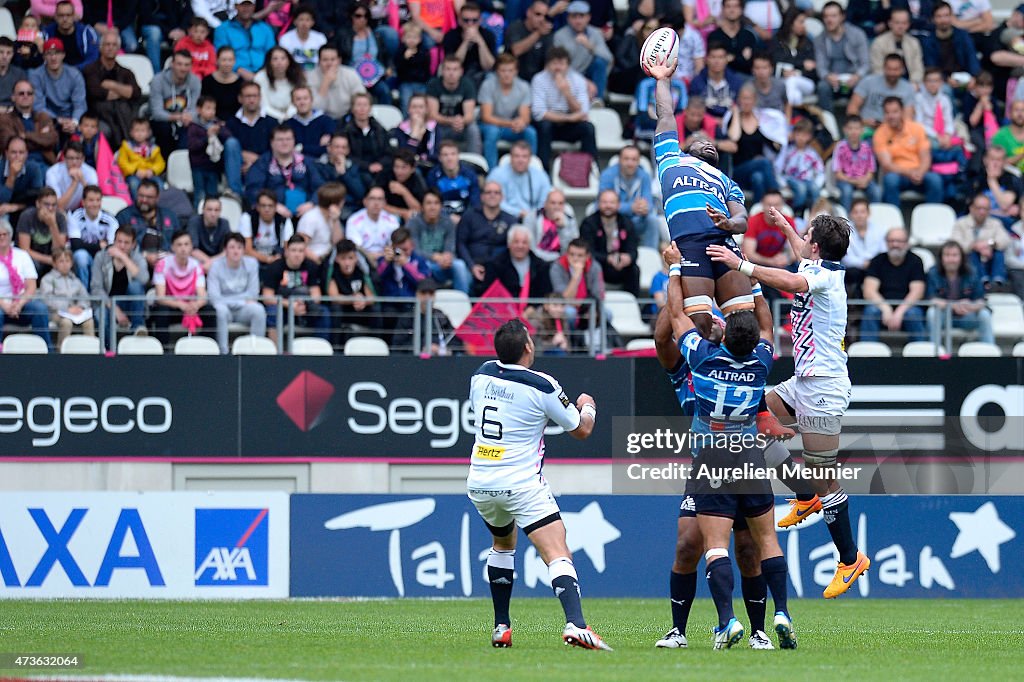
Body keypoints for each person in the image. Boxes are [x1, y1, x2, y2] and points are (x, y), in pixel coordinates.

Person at [707, 208, 870, 600]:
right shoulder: (822, 263)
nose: (802, 242)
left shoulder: (820, 277)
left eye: (805, 237)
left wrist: (742, 265)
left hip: (824, 388)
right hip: (804, 381)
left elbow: (792, 279)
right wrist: (785, 227)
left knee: (824, 476)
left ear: (815, 247)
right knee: (746, 415)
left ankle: (850, 559)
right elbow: (801, 254)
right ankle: (803, 494)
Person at [661, 241, 792, 648]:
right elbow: (767, 326)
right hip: (746, 460)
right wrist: (748, 278)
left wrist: (675, 269)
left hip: (713, 461)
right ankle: (684, 629)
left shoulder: (700, 358)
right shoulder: (760, 361)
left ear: (721, 334)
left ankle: (746, 627)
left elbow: (680, 316)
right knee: (689, 544)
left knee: (741, 548)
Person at [467, 318, 611, 651]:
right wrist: (587, 406)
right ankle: (576, 624)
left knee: (503, 545)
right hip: (520, 481)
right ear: (528, 348)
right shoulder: (542, 385)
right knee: (557, 551)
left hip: (482, 479)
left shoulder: (481, 374)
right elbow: (581, 429)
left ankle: (501, 627)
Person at [649, 55, 751, 340]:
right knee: (700, 325)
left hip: (724, 243)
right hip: (690, 245)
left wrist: (731, 224)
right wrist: (662, 79)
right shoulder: (670, 158)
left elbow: (742, 218)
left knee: (743, 325)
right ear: (686, 146)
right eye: (699, 139)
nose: (706, 141)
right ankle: (701, 378)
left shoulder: (726, 181)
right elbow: (666, 114)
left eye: (710, 142)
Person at [529, 46, 596, 171]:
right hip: (549, 126)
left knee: (588, 128)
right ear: (548, 64)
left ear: (568, 65)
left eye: (562, 64)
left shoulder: (578, 80)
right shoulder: (539, 79)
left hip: (568, 126)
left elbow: (583, 112)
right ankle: (544, 171)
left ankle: (590, 169)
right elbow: (539, 113)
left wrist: (566, 93)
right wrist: (569, 118)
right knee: (544, 126)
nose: (558, 67)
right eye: (554, 63)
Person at [150, 228, 217, 345]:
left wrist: (195, 305)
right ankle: (162, 351)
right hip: (172, 306)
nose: (183, 248)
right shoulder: (162, 264)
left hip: (190, 306)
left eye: (186, 244)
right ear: (172, 247)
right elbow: (160, 297)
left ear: (191, 247)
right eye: (179, 245)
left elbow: (202, 295)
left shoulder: (196, 265)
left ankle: (208, 349)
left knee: (209, 311)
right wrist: (181, 305)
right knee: (161, 312)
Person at [860, 227, 927, 342]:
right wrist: (886, 308)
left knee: (913, 314)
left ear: (907, 243)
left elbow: (918, 292)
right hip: (881, 307)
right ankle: (868, 354)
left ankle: (921, 355)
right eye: (891, 241)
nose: (895, 244)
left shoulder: (915, 261)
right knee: (870, 311)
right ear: (886, 243)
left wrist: (899, 312)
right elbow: (869, 291)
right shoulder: (877, 261)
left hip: (907, 307)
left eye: (899, 241)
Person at [260, 233, 331, 342]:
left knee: (324, 312)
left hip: (305, 307)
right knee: (273, 313)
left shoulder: (311, 266)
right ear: (287, 251)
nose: (297, 254)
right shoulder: (275, 267)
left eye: (301, 251)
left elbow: (316, 295)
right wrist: (290, 304)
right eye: (293, 250)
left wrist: (304, 304)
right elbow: (267, 297)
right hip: (283, 307)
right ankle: (275, 354)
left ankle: (320, 354)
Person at [873, 96, 942, 206]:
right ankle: (894, 221)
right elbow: (887, 164)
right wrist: (910, 173)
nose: (891, 116)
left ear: (902, 112)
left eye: (895, 112)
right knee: (890, 180)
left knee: (935, 179)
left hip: (919, 172)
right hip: (898, 175)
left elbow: (925, 156)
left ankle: (931, 219)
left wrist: (920, 172)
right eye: (887, 112)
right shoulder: (880, 133)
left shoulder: (917, 128)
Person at [244, 125, 323, 219]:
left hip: (306, 213)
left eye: (288, 139)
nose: (285, 143)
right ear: (272, 143)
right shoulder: (262, 163)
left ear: (294, 141)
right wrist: (273, 205)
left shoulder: (307, 162)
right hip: (273, 214)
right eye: (280, 140)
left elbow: (321, 187)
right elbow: (253, 190)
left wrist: (312, 204)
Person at [926, 240, 994, 347]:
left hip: (966, 315)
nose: (951, 259)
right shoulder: (933, 273)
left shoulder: (972, 272)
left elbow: (981, 301)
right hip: (944, 316)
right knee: (932, 313)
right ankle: (936, 353)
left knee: (984, 314)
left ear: (961, 258)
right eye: (947, 255)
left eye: (954, 255)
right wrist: (953, 305)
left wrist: (970, 306)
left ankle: (990, 354)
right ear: (941, 258)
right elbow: (931, 300)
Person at [81, 30, 141, 150]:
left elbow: (135, 93)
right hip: (99, 117)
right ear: (101, 47)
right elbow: (95, 92)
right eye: (107, 44)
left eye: (114, 45)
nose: (110, 48)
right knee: (106, 130)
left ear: (118, 48)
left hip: (123, 116)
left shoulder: (126, 72)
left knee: (126, 113)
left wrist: (112, 85)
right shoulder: (90, 70)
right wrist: (123, 92)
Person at [208, 231, 266, 353]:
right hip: (226, 309)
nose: (236, 251)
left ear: (244, 250)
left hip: (242, 309)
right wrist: (241, 300)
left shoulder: (252, 264)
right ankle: (222, 352)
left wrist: (231, 300)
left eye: (239, 248)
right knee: (220, 310)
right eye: (232, 247)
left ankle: (255, 352)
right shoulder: (215, 266)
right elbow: (214, 297)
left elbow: (253, 294)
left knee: (258, 310)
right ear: (225, 250)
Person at [478, 53, 538, 170]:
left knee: (530, 132)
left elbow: (525, 117)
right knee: (492, 132)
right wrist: (511, 123)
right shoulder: (488, 85)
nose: (507, 74)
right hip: (490, 125)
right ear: (497, 71)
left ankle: (531, 170)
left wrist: (520, 123)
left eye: (510, 70)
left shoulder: (523, 86)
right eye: (503, 70)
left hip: (511, 127)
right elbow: (486, 117)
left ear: (516, 71)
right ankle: (492, 173)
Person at [0, 218, 52, 347]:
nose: (1, 237)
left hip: (21, 304)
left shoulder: (22, 255)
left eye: (4, 234)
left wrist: (19, 303)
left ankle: (46, 353)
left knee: (39, 309)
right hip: (1, 304)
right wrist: (4, 304)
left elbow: (31, 286)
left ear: (10, 235)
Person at [726, 84, 781, 204]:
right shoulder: (733, 119)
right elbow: (734, 137)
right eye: (743, 98)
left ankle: (758, 209)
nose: (746, 102)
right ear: (739, 100)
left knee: (758, 178)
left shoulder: (761, 121)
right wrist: (735, 113)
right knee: (763, 162)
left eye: (749, 98)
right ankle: (777, 198)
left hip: (757, 170)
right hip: (738, 170)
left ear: (754, 100)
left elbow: (774, 145)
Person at [407, 189, 470, 292]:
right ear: (422, 206)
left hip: (442, 264)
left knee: (460, 265)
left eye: (436, 203)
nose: (432, 207)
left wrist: (446, 257)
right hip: (422, 264)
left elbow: (450, 247)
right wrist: (435, 257)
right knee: (423, 265)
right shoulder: (413, 223)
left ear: (441, 206)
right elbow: (415, 250)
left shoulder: (447, 222)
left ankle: (463, 304)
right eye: (428, 203)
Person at [598, 145, 660, 250]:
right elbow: (600, 205)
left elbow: (648, 204)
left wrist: (644, 207)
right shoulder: (607, 175)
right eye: (626, 159)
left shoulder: (644, 176)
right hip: (614, 220)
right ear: (619, 160)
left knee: (652, 220)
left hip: (635, 220)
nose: (630, 163)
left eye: (634, 159)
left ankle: (650, 255)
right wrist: (631, 208)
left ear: (638, 161)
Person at [91, 225, 149, 336]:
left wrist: (124, 258)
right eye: (119, 241)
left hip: (130, 303)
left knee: (136, 286)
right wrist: (115, 310)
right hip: (108, 303)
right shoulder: (101, 256)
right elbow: (96, 289)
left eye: (126, 243)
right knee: (99, 314)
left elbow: (144, 279)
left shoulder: (137, 257)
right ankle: (108, 351)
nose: (122, 246)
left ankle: (138, 329)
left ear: (133, 244)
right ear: (114, 241)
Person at [741, 190, 798, 304]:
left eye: (776, 205)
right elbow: (749, 253)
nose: (772, 208)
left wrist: (786, 259)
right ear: (762, 205)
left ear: (782, 205)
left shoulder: (788, 221)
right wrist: (771, 261)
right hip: (757, 265)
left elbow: (795, 251)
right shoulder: (754, 221)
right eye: (769, 205)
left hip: (779, 265)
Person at [579, 190, 639, 296]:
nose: (608, 206)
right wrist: (607, 258)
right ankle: (593, 307)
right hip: (600, 264)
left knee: (634, 269)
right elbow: (588, 251)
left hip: (621, 265)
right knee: (591, 266)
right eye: (604, 202)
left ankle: (633, 305)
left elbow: (633, 250)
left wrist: (628, 258)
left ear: (618, 204)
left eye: (612, 202)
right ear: (598, 204)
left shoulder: (626, 223)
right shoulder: (589, 223)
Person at [813, 2, 870, 113]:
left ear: (842, 17)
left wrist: (857, 76)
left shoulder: (857, 34)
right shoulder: (819, 39)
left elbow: (866, 64)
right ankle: (829, 125)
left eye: (833, 16)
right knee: (822, 87)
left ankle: (859, 124)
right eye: (826, 16)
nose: (829, 20)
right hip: (833, 80)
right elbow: (820, 67)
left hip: (854, 77)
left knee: (865, 84)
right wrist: (828, 76)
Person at [186, 95, 243, 206]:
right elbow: (193, 146)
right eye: (208, 108)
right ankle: (198, 217)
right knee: (200, 195)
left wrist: (220, 130)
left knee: (213, 194)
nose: (211, 112)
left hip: (213, 168)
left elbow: (229, 137)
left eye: (213, 109)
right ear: (198, 109)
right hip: (198, 168)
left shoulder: (217, 124)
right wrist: (207, 137)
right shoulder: (193, 127)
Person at [458, 181, 516, 287]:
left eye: (496, 192)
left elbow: (514, 247)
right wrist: (472, 266)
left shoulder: (510, 220)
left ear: (502, 197)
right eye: (488, 192)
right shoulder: (469, 216)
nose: (492, 195)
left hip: (500, 268)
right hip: (472, 264)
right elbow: (461, 244)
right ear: (482, 197)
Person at [29, 37, 86, 140]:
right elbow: (38, 106)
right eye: (49, 53)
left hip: (72, 119)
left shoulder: (74, 74)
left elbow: (80, 104)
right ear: (44, 57)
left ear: (63, 55)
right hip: (49, 119)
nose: (53, 57)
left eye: (57, 53)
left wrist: (74, 122)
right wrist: (58, 120)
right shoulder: (36, 75)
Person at [116, 178, 180, 268]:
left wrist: (169, 255)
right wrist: (144, 256)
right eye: (141, 196)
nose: (144, 200)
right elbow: (117, 245)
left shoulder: (170, 216)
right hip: (134, 265)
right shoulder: (124, 216)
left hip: (167, 265)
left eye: (149, 197)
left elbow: (179, 241)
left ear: (157, 198)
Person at [553, 1, 611, 99]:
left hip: (589, 73)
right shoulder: (559, 36)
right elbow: (557, 64)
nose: (578, 21)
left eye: (582, 16)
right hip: (568, 74)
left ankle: (598, 101)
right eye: (574, 17)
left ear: (588, 17)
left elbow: (609, 58)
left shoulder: (595, 33)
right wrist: (582, 81)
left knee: (600, 62)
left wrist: (589, 46)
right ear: (568, 18)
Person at [477, 225, 553, 300]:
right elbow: (488, 293)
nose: (520, 246)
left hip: (533, 310)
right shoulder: (495, 264)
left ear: (529, 245)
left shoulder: (541, 266)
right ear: (509, 244)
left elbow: (545, 293)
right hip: (503, 309)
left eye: (524, 242)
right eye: (516, 242)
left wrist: (532, 308)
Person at [951, 193, 1011, 287]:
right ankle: (982, 281)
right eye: (979, 208)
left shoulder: (995, 223)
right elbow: (955, 243)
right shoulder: (961, 223)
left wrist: (989, 244)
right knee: (972, 254)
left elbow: (1006, 240)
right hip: (970, 262)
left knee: (999, 253)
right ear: (971, 208)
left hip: (990, 260)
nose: (982, 212)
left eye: (986, 209)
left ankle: (997, 281)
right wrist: (974, 246)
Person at [427, 56, 483, 155]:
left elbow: (469, 116)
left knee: (473, 128)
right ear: (442, 71)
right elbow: (432, 115)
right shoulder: (434, 85)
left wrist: (461, 121)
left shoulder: (467, 84)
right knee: (432, 127)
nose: (451, 73)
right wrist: (452, 121)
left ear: (461, 71)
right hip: (441, 126)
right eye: (448, 69)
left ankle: (475, 160)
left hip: (461, 126)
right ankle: (434, 159)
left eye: (455, 69)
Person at [325, 238, 378, 341]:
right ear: (337, 259)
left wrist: (364, 301)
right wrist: (352, 299)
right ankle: (335, 349)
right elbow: (334, 297)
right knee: (336, 309)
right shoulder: (333, 272)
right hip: (343, 311)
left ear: (356, 258)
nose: (347, 263)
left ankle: (378, 346)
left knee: (375, 310)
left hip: (360, 310)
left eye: (350, 258)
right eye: (343, 258)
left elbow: (372, 297)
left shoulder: (361, 270)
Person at [40, 245, 94, 345]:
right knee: (66, 322)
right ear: (54, 263)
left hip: (75, 313)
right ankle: (62, 353)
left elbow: (85, 296)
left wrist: (80, 307)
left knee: (89, 322)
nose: (65, 264)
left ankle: (91, 352)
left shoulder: (75, 280)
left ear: (71, 263)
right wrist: (67, 308)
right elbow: (47, 300)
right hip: (55, 313)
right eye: (61, 261)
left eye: (67, 261)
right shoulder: (48, 279)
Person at [149, 50, 201, 154]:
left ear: (191, 66)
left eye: (186, 65)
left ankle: (182, 165)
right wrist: (179, 117)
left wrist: (188, 117)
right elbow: (156, 112)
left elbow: (195, 108)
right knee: (164, 128)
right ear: (172, 64)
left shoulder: (195, 81)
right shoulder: (158, 80)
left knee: (192, 128)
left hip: (186, 120)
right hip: (163, 121)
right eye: (179, 64)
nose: (183, 68)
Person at [485, 140, 551, 222]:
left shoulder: (541, 176)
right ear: (511, 158)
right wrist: (518, 212)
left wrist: (532, 214)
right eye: (517, 156)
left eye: (524, 156)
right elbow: (492, 200)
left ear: (530, 159)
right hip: (503, 218)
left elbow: (546, 201)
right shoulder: (496, 174)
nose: (520, 160)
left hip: (534, 219)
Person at [847, 53, 916, 130]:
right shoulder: (868, 82)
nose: (892, 73)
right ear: (883, 68)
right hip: (866, 128)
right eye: (889, 69)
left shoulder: (908, 88)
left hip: (894, 131)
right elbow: (852, 108)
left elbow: (908, 118)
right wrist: (863, 121)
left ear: (902, 70)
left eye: (896, 69)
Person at [0, 79, 59, 166]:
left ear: (33, 97)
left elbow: (52, 140)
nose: (25, 96)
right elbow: (8, 143)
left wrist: (25, 136)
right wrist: (40, 138)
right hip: (17, 165)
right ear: (13, 97)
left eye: (29, 93)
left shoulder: (43, 117)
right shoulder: (5, 119)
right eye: (21, 93)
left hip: (44, 163)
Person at [67, 184, 117, 286]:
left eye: (98, 200)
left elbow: (111, 248)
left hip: (102, 257)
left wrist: (86, 245)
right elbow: (76, 245)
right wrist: (99, 246)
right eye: (91, 200)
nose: (95, 204)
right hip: (81, 256)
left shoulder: (110, 220)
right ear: (83, 202)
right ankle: (84, 295)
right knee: (81, 256)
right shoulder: (74, 216)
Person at [212, 0, 276, 80]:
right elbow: (221, 56)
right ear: (236, 6)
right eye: (242, 5)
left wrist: (262, 73)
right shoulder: (223, 29)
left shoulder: (265, 28)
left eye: (249, 5)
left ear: (254, 7)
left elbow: (272, 54)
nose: (246, 9)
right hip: (235, 75)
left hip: (264, 74)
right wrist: (240, 71)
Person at [774, 118, 824, 214]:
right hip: (791, 179)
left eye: (804, 135)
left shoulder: (812, 153)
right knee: (801, 188)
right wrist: (783, 184)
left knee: (814, 189)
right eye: (798, 134)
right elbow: (778, 169)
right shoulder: (787, 151)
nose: (801, 137)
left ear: (810, 137)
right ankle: (797, 213)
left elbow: (820, 171)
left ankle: (813, 213)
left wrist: (817, 184)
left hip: (808, 180)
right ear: (793, 134)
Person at [686, 42, 745, 123]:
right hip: (704, 123)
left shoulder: (736, 82)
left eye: (721, 57)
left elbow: (741, 107)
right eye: (713, 57)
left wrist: (726, 121)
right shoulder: (697, 82)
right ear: (706, 59)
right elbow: (693, 108)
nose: (717, 61)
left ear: (727, 59)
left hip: (731, 122)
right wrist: (713, 121)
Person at [227, 82, 279, 174]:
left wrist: (257, 162)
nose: (252, 100)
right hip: (239, 170)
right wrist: (242, 155)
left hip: (265, 171)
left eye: (255, 96)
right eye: (248, 96)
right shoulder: (231, 123)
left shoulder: (272, 122)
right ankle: (235, 189)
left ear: (260, 98)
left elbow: (277, 150)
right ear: (240, 98)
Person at [443, 2, 497, 89]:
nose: (470, 24)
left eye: (474, 20)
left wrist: (481, 43)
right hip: (458, 75)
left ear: (480, 21)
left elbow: (489, 66)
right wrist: (465, 42)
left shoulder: (488, 35)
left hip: (481, 74)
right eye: (466, 20)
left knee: (492, 77)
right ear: (459, 20)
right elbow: (452, 65)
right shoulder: (450, 36)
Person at [832, 115, 880, 210]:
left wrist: (865, 180)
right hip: (846, 180)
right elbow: (838, 173)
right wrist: (853, 181)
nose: (854, 132)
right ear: (845, 130)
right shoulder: (840, 147)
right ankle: (845, 221)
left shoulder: (867, 147)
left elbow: (871, 170)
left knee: (876, 190)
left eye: (857, 128)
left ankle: (872, 216)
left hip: (863, 180)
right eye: (850, 128)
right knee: (846, 191)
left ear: (862, 130)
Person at [16, 187, 66, 277]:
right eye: (46, 204)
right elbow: (24, 249)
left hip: (51, 256)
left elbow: (60, 249)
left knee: (67, 261)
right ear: (38, 204)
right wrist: (49, 260)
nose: (50, 208)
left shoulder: (60, 218)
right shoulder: (27, 216)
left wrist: (53, 225)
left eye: (54, 205)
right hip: (32, 257)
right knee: (34, 264)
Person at [306, 44, 365, 120]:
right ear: (319, 61)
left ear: (339, 61)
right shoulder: (311, 77)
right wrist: (325, 83)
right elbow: (315, 109)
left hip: (348, 117)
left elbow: (361, 100)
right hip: (321, 119)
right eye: (325, 60)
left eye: (333, 59)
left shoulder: (351, 74)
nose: (329, 64)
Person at [427, 140, 481, 223]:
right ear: (440, 158)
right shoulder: (433, 176)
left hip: (467, 220)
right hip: (440, 220)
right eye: (445, 155)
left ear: (458, 156)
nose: (450, 158)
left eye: (453, 154)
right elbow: (431, 203)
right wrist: (448, 217)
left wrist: (464, 219)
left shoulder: (470, 175)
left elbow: (475, 202)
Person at [239, 188, 293, 269]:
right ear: (257, 207)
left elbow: (288, 249)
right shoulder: (247, 218)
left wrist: (277, 259)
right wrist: (268, 259)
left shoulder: (284, 221)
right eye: (263, 205)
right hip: (252, 260)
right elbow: (247, 250)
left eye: (270, 206)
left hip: (277, 259)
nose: (267, 209)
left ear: (275, 207)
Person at [842, 198, 886, 295]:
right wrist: (863, 263)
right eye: (856, 212)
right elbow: (845, 257)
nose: (859, 216)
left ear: (868, 213)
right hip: (854, 269)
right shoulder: (844, 232)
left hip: (875, 267)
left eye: (862, 212)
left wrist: (872, 263)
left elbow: (883, 251)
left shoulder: (879, 230)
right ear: (851, 214)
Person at [345, 185, 401, 264]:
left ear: (384, 202)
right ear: (365, 201)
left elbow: (397, 246)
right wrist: (376, 256)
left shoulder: (392, 220)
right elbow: (356, 249)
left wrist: (387, 255)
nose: (376, 203)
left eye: (380, 199)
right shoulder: (353, 221)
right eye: (372, 199)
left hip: (387, 261)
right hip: (363, 261)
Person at [505, 1, 555, 83]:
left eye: (545, 16)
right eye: (538, 14)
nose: (542, 19)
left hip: (537, 81)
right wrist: (538, 33)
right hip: (513, 79)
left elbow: (549, 61)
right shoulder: (515, 27)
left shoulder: (547, 33)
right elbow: (516, 51)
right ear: (528, 13)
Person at [869, 8, 924, 84]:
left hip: (911, 85)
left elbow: (918, 69)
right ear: (890, 23)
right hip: (886, 84)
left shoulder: (914, 42)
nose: (900, 26)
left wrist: (914, 82)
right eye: (897, 23)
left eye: (904, 23)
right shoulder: (879, 42)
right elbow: (877, 70)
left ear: (908, 24)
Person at [296, 181, 345, 263]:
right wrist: (318, 261)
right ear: (335, 202)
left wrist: (335, 220)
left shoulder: (333, 216)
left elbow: (338, 243)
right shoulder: (310, 218)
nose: (344, 201)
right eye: (342, 199)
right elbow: (300, 246)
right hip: (314, 260)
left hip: (329, 258)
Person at [376, 226, 432, 298]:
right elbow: (377, 278)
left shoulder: (420, 260)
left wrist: (406, 265)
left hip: (412, 300)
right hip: (390, 301)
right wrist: (386, 262)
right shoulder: (385, 260)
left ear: (412, 245)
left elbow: (422, 282)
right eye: (399, 250)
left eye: (405, 250)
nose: (402, 253)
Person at [118, 118, 166, 199]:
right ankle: (138, 205)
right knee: (134, 184)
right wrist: (135, 171)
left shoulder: (154, 148)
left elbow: (160, 163)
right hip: (134, 175)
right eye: (137, 131)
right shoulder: (126, 146)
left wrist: (152, 171)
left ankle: (158, 206)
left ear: (148, 133)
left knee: (160, 184)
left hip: (150, 174)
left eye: (143, 131)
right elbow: (122, 162)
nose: (139, 134)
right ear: (131, 133)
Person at [42, 0, 99, 69]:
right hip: (53, 73)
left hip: (81, 73)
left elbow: (92, 59)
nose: (65, 19)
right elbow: (42, 60)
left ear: (74, 16)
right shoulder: (46, 33)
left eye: (68, 15)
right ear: (55, 16)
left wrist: (72, 72)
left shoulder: (86, 32)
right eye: (61, 15)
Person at [707, 0, 759, 75]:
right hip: (721, 78)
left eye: (735, 6)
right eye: (728, 6)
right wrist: (741, 57)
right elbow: (714, 62)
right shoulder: (714, 36)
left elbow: (750, 63)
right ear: (722, 9)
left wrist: (731, 58)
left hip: (745, 78)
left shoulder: (749, 36)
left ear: (741, 10)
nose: (732, 10)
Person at [286, 85, 336, 162]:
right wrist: (315, 148)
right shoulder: (287, 125)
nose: (302, 102)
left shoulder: (327, 122)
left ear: (311, 100)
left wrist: (301, 148)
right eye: (298, 99)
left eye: (305, 98)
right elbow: (288, 150)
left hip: (321, 164)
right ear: (293, 102)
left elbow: (327, 149)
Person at [45, 139, 96, 212]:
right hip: (57, 212)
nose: (74, 162)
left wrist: (83, 181)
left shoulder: (90, 172)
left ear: (83, 159)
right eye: (71, 158)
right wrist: (74, 183)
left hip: (80, 211)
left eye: (78, 158)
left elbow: (94, 201)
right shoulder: (53, 172)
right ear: (64, 158)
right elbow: (58, 205)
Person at [255, 46, 304, 122]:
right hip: (268, 117)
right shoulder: (260, 77)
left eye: (283, 58)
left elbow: (298, 99)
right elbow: (263, 104)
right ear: (269, 62)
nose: (279, 62)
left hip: (292, 116)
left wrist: (288, 116)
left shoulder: (296, 75)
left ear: (288, 61)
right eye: (275, 59)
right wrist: (281, 117)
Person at [529, 188, 577, 262]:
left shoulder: (569, 219)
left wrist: (562, 228)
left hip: (561, 261)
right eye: (553, 203)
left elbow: (571, 250)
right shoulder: (532, 217)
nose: (556, 207)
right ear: (545, 204)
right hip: (537, 260)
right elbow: (530, 247)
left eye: (560, 203)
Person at [187, 195, 230, 271]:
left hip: (218, 262)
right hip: (198, 262)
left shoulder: (224, 223)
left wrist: (211, 263)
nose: (213, 214)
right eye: (209, 210)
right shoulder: (194, 222)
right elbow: (192, 249)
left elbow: (227, 249)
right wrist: (209, 263)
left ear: (220, 211)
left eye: (216, 210)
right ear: (203, 210)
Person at [395, 22, 432, 113]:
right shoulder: (400, 52)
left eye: (414, 38)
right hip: (406, 84)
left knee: (422, 104)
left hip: (421, 83)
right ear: (403, 39)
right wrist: (404, 59)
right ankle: (406, 124)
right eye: (409, 37)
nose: (411, 40)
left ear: (419, 39)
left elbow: (425, 66)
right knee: (406, 104)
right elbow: (398, 67)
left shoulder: (423, 51)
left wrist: (414, 57)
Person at [201, 46, 243, 122]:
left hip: (235, 123)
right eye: (223, 60)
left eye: (230, 60)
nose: (227, 63)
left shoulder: (241, 82)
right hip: (210, 121)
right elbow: (204, 105)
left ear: (234, 61)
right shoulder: (207, 81)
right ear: (217, 61)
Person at [279, 5, 327, 71]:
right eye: (301, 19)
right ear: (295, 22)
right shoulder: (285, 38)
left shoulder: (320, 38)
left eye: (307, 20)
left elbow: (325, 59)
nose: (304, 23)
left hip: (316, 72)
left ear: (312, 22)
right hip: (293, 72)